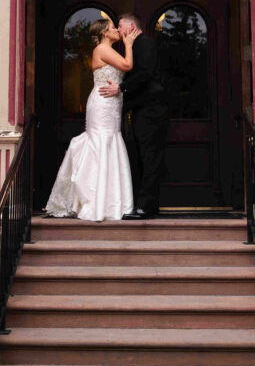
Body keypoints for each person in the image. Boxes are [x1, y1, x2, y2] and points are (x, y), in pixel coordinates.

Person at [44, 17, 141, 221]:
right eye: (113, 28)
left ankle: (109, 201)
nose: (116, 30)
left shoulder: (109, 49)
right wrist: (129, 44)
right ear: (105, 33)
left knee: (110, 141)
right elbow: (127, 65)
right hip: (102, 104)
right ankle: (94, 199)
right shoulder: (102, 49)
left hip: (112, 104)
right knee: (101, 141)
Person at [99, 12, 169, 220]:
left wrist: (121, 87)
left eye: (120, 26)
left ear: (131, 26)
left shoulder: (145, 43)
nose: (118, 30)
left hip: (152, 111)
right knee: (143, 156)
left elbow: (145, 73)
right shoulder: (132, 46)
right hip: (142, 110)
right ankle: (146, 204)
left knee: (150, 158)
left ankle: (145, 207)